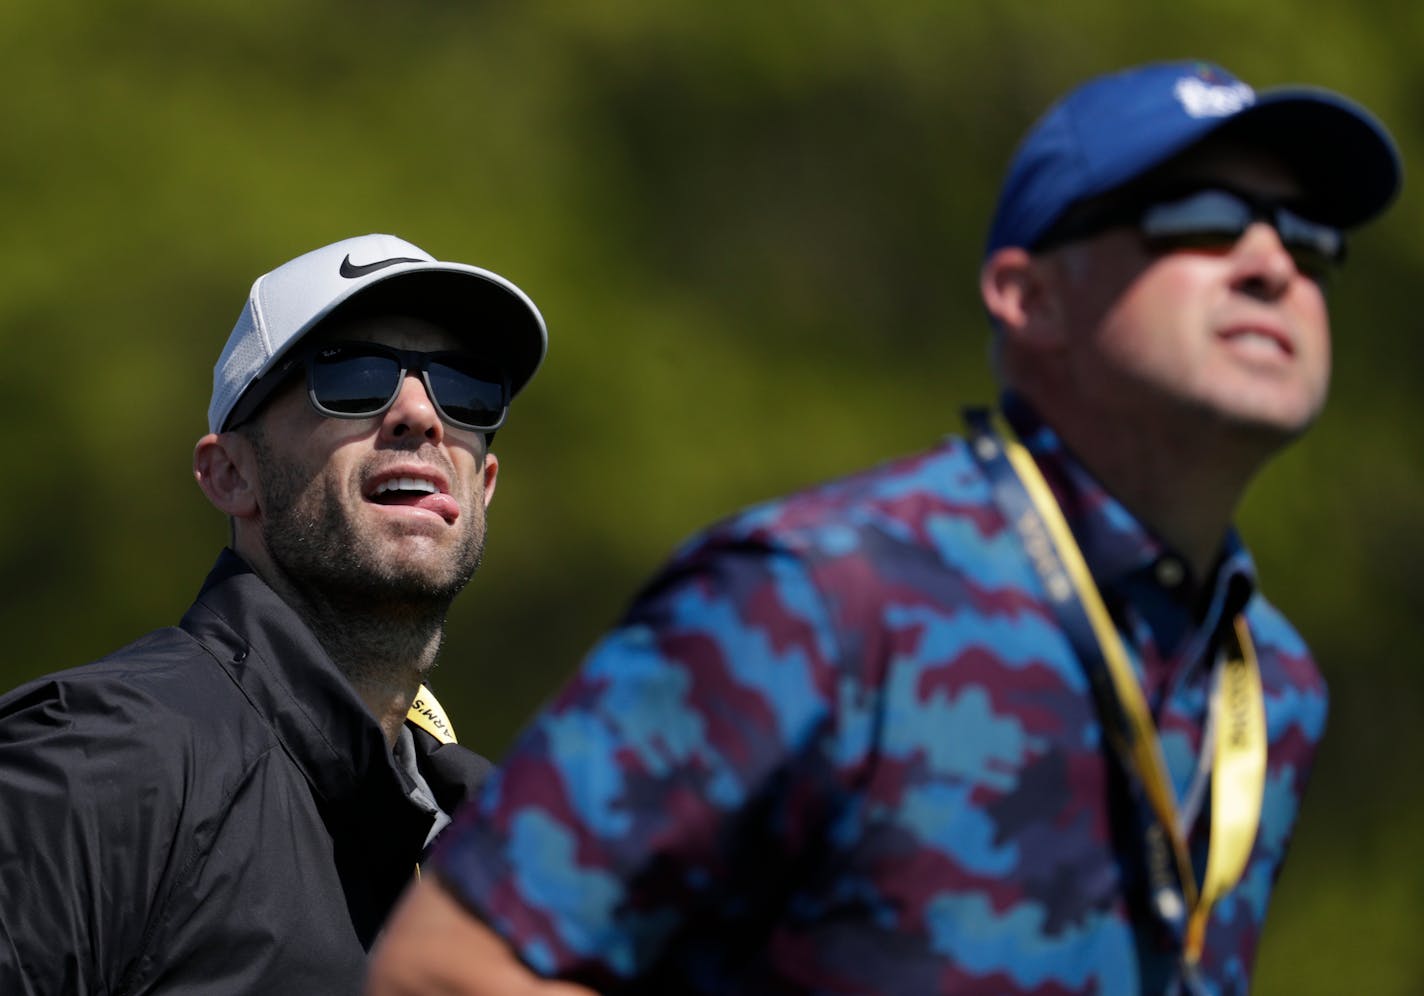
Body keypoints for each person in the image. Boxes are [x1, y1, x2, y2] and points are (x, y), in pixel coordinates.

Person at [366, 61, 1401, 995]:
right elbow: (444, 971)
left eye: (1308, 237)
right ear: (1026, 296)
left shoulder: (1268, 682)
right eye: (1201, 217)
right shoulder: (822, 594)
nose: (1272, 262)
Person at [0, 233, 547, 994]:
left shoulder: (502, 848)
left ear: (481, 486)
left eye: (467, 388)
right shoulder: (100, 762)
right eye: (352, 376)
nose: (420, 414)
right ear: (230, 474)